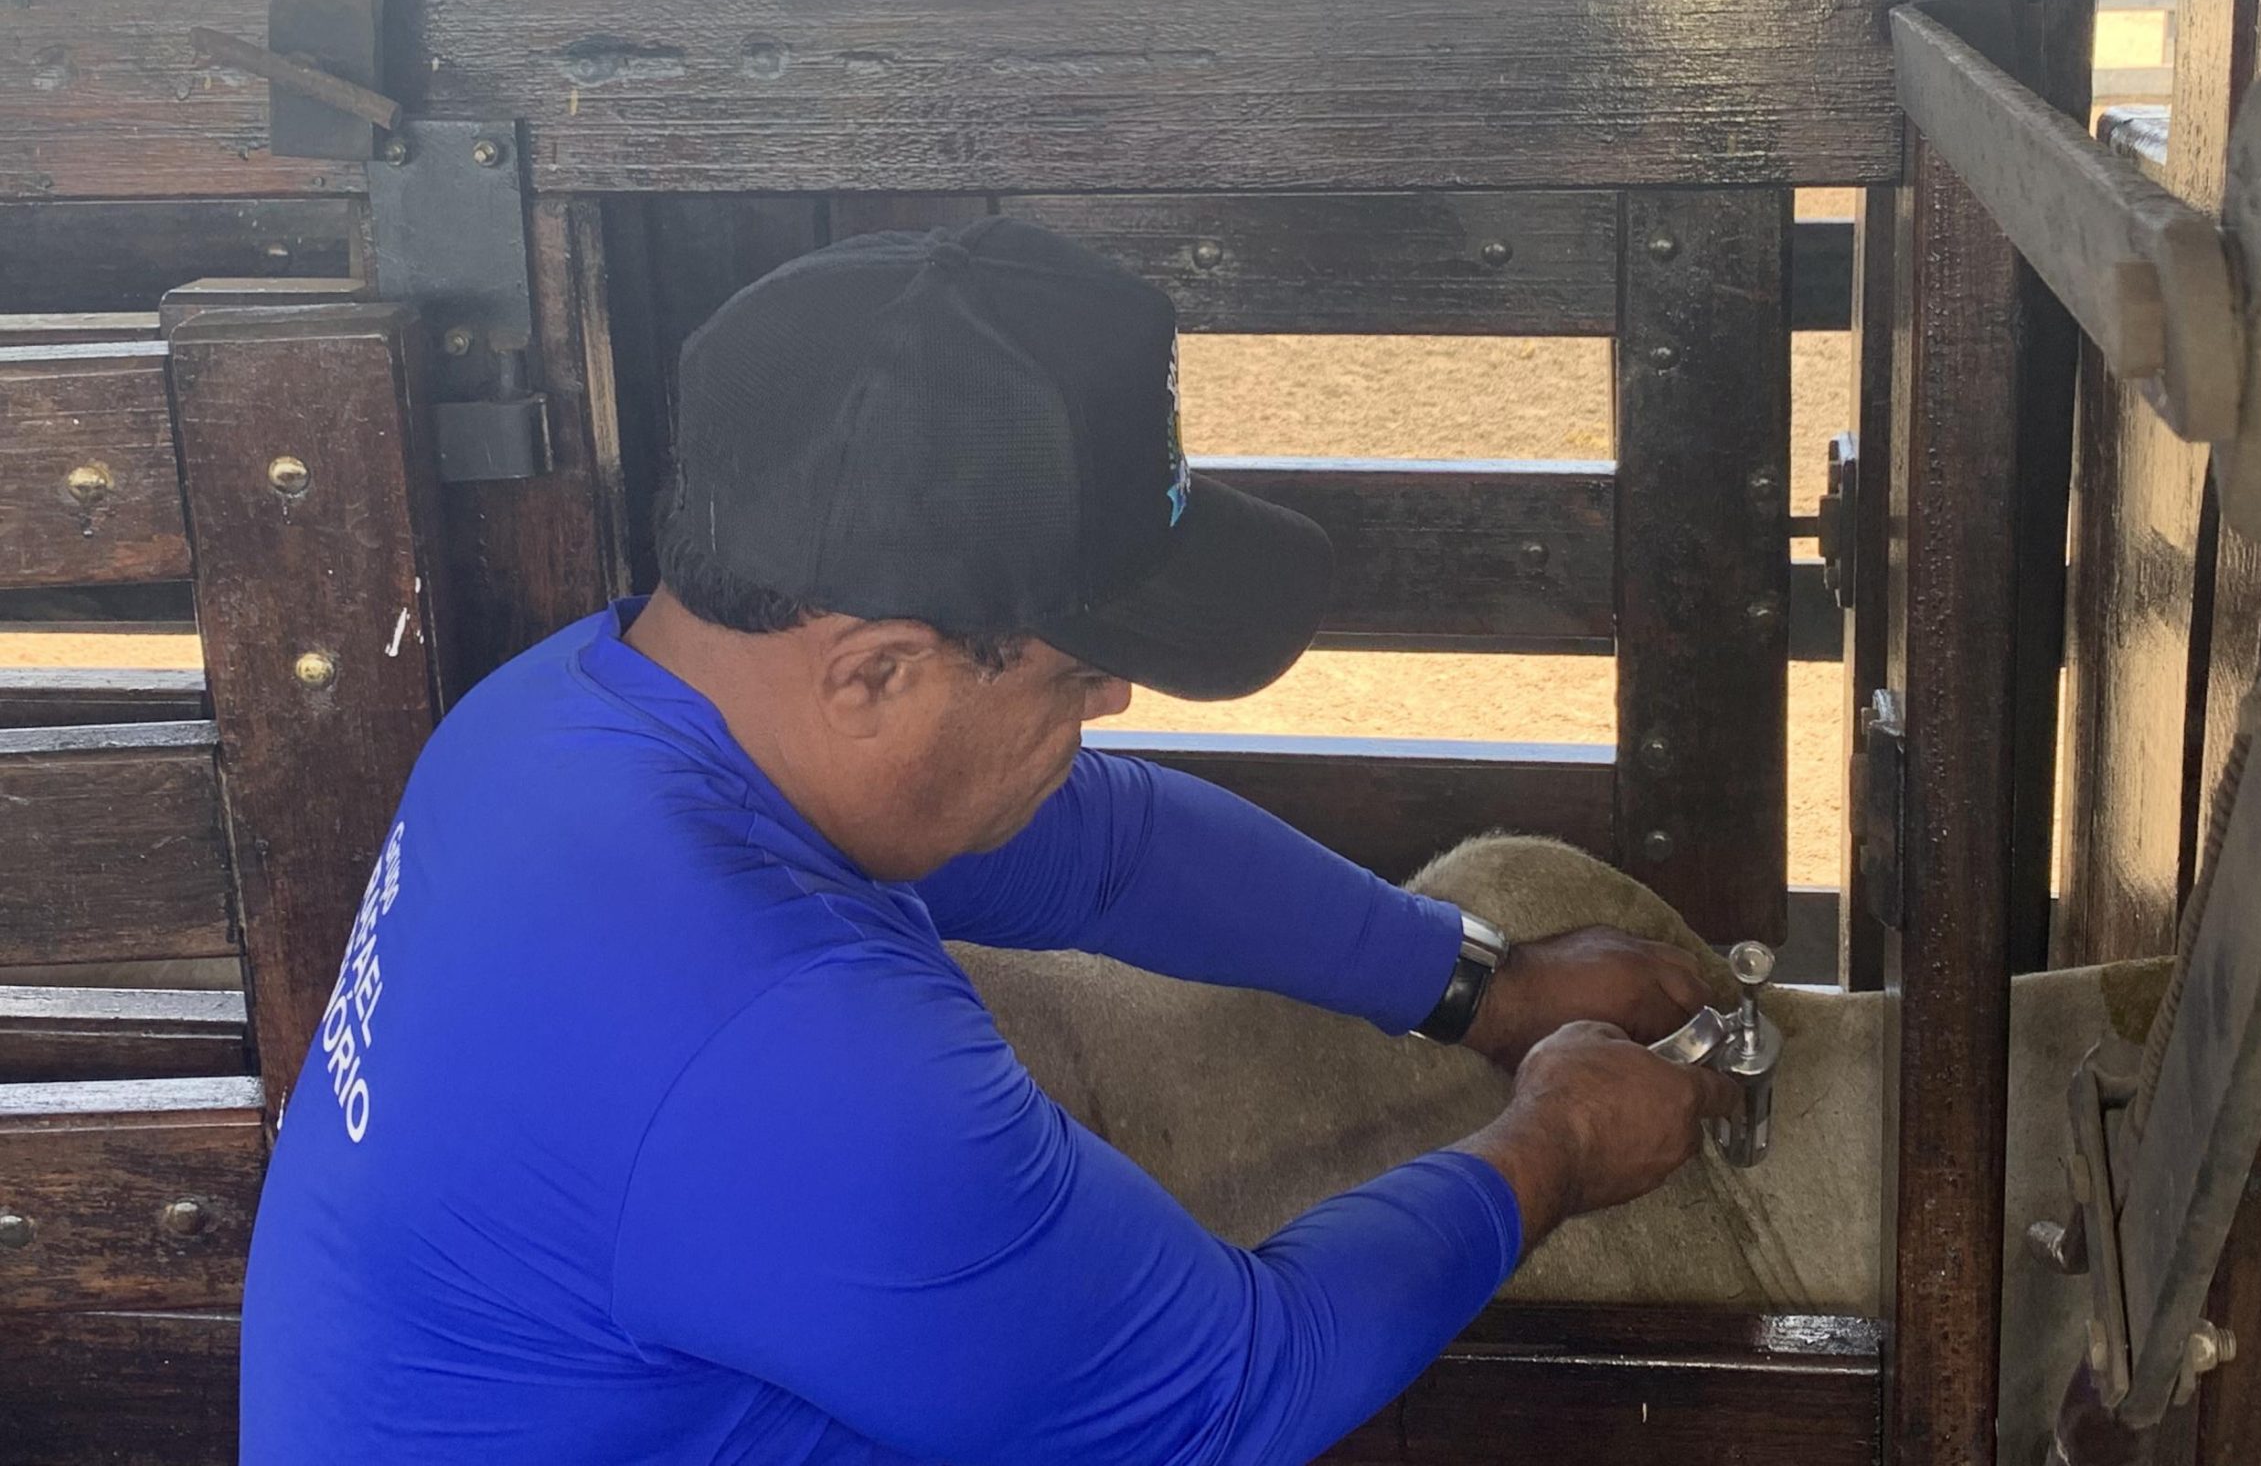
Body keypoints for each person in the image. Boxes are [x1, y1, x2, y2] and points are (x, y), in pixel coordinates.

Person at [241, 216, 1731, 1464]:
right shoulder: (791, 1055)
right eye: (1076, 672)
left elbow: (1099, 846)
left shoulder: (572, 710)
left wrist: (1483, 983)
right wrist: (1556, 1144)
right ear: (877, 670)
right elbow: (1232, 1394)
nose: (1118, 698)